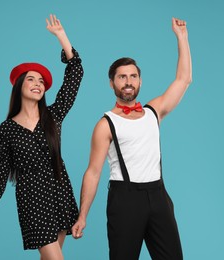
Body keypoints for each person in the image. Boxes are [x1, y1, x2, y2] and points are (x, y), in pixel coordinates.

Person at [0, 14, 83, 260]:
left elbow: (74, 76)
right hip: (32, 197)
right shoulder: (6, 129)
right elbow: (2, 169)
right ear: (19, 86)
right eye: (31, 79)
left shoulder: (53, 115)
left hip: (60, 190)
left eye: (41, 81)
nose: (37, 83)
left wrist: (61, 37)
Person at [71, 17, 192, 260]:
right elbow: (93, 172)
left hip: (158, 195)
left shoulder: (153, 112)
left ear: (140, 81)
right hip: (124, 199)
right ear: (112, 83)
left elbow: (183, 80)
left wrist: (182, 38)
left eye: (133, 76)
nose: (128, 82)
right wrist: (82, 215)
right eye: (122, 77)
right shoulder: (105, 124)